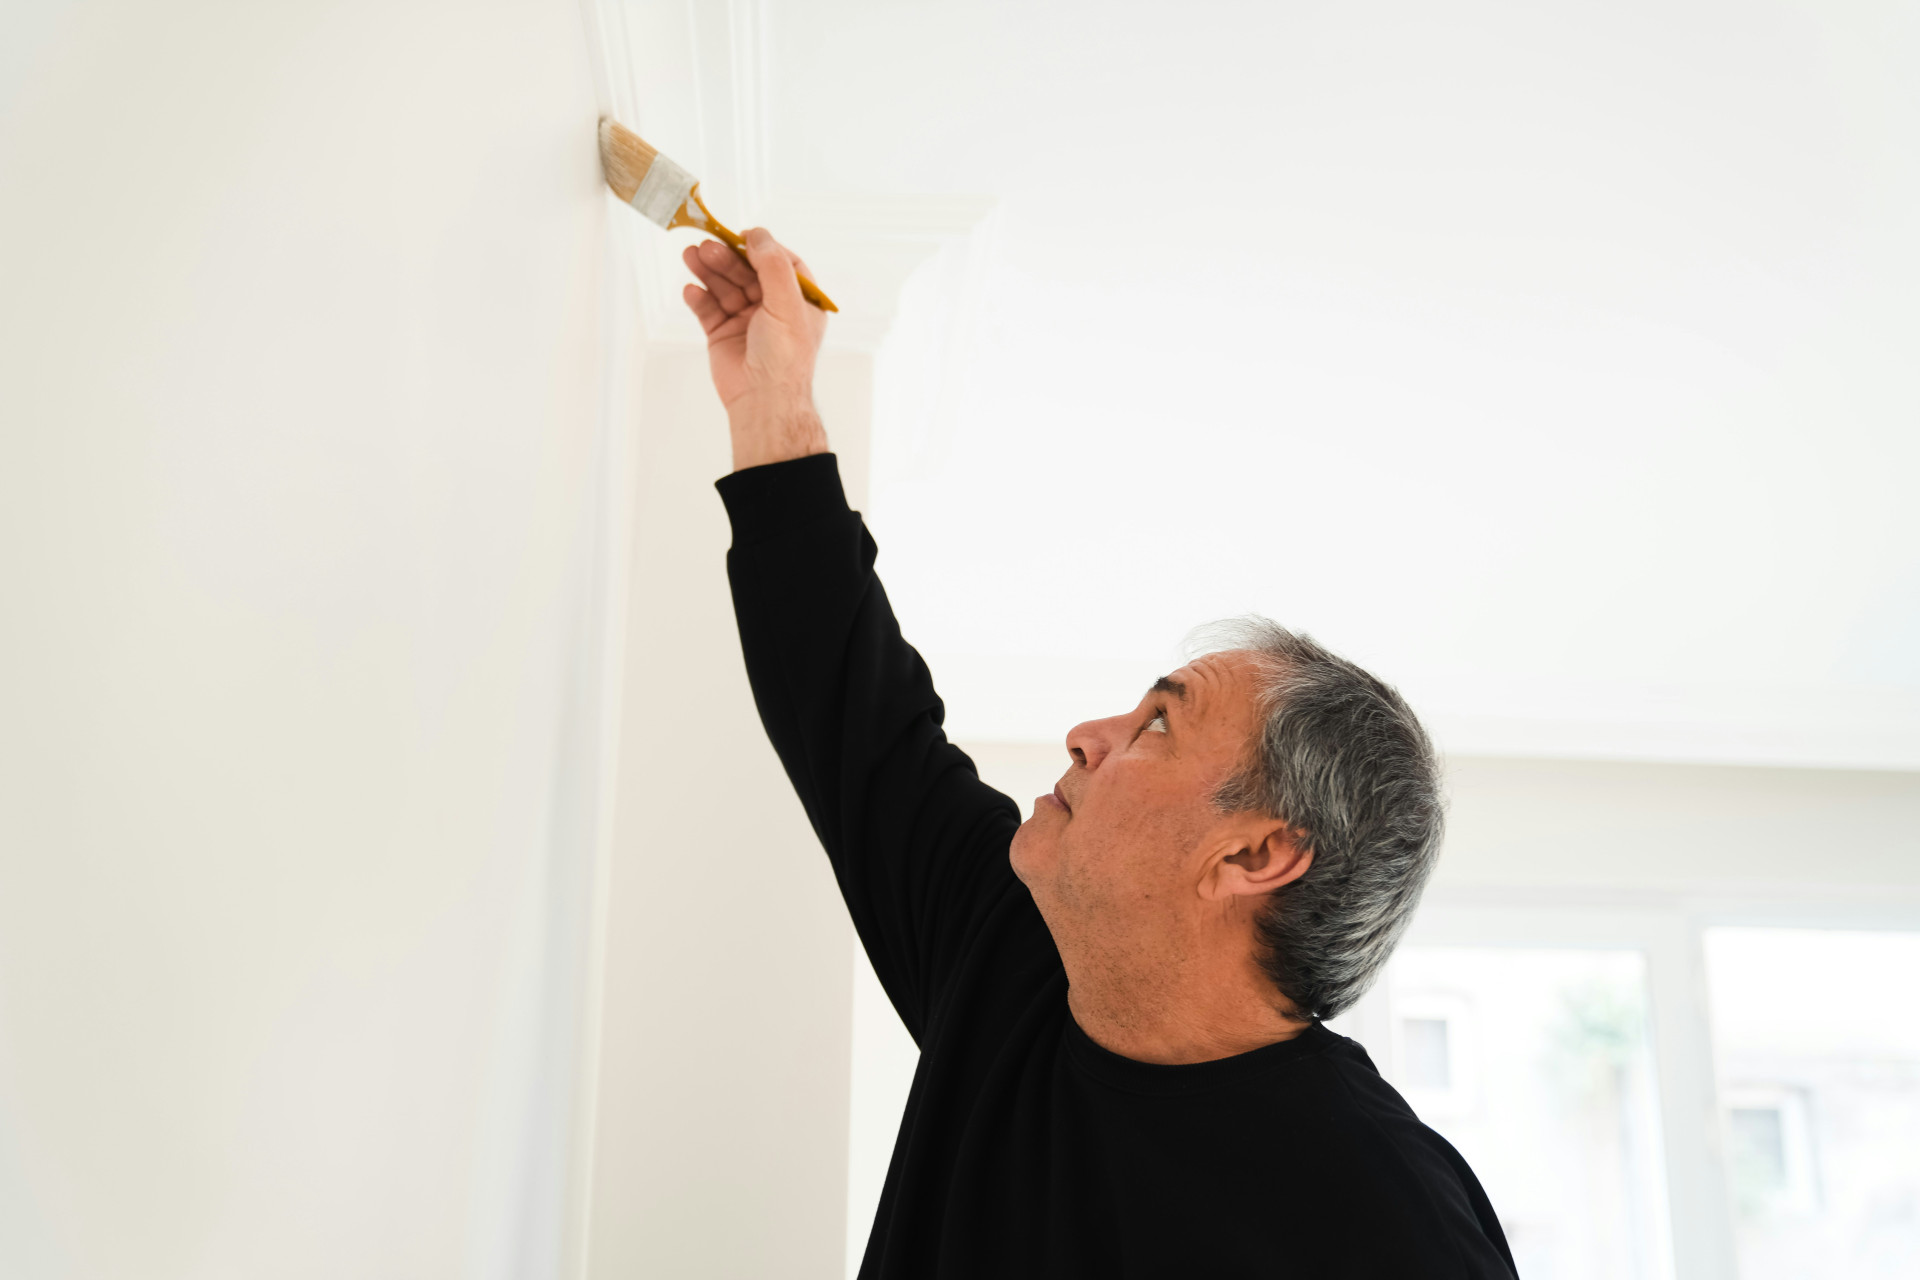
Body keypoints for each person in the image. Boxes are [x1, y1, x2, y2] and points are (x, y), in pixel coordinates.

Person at [683, 229, 1517, 1279]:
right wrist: (774, 401)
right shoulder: (1012, 954)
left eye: (1158, 723)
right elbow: (855, 717)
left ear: (1254, 853)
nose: (1088, 734)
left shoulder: (1386, 1214)